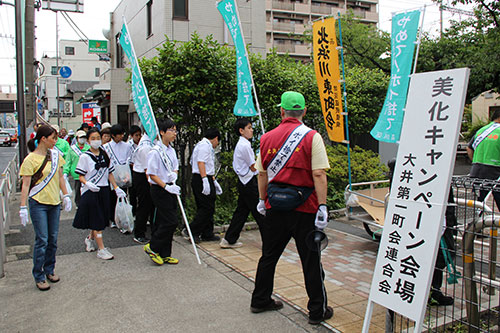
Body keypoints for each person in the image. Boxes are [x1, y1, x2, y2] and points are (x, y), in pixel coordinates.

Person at [250, 91, 332, 325]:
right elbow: (318, 173)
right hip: (305, 209)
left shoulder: (266, 138)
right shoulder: (312, 137)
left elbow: (262, 174)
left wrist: (261, 199)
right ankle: (317, 311)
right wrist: (323, 206)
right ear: (304, 111)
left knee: (269, 255)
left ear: (281, 111)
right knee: (310, 259)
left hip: (275, 207)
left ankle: (260, 299)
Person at [19, 125, 72, 291]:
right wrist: (22, 207)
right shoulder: (30, 159)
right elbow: (26, 184)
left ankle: (50, 269)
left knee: (53, 239)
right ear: (43, 139)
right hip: (38, 203)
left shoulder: (56, 155)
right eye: (53, 138)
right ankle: (39, 275)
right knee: (42, 240)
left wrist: (66, 195)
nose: (55, 141)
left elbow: (60, 177)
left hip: (54, 203)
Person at [72, 128, 126, 260]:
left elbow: (110, 173)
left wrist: (116, 187)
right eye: (93, 138)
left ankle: (90, 238)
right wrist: (87, 183)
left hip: (104, 190)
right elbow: (80, 175)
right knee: (97, 219)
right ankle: (101, 249)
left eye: (98, 138)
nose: (96, 141)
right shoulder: (85, 156)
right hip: (91, 191)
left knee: (101, 217)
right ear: (88, 141)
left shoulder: (105, 154)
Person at [220, 118, 265, 249]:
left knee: (241, 212)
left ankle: (229, 239)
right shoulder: (244, 145)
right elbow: (253, 166)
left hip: (245, 182)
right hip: (249, 183)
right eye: (249, 128)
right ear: (241, 130)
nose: (251, 130)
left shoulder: (244, 143)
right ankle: (269, 242)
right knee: (260, 212)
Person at [143, 119, 181, 265]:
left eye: (175, 131)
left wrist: (174, 175)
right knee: (171, 221)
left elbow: (175, 167)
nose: (174, 134)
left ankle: (165, 253)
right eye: (171, 130)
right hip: (160, 189)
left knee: (163, 221)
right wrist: (165, 186)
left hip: (171, 188)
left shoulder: (171, 150)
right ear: (162, 132)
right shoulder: (155, 152)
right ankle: (153, 247)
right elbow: (151, 174)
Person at [182, 128, 222, 242]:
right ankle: (191, 230)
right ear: (215, 138)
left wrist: (213, 180)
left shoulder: (202, 145)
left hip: (205, 177)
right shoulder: (204, 146)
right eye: (218, 141)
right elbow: (201, 162)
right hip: (201, 178)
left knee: (207, 206)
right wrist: (205, 179)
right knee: (207, 208)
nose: (217, 144)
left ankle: (207, 233)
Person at [467, 109, 500, 211]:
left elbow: (469, 147)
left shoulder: (482, 130)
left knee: (481, 202)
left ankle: (477, 222)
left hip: (477, 170)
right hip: (495, 171)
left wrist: (474, 161)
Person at [103, 124, 134, 229]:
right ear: (113, 135)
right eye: (119, 134)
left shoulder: (127, 146)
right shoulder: (107, 147)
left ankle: (123, 217)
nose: (121, 136)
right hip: (113, 174)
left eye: (122, 134)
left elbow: (130, 158)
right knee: (112, 197)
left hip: (124, 173)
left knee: (124, 195)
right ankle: (112, 218)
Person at [131, 132, 155, 244]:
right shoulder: (146, 146)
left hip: (146, 176)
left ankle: (152, 230)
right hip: (143, 177)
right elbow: (147, 170)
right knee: (144, 205)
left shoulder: (150, 142)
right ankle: (139, 233)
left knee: (150, 205)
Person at [63, 130, 90, 207]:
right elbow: (68, 161)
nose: (83, 139)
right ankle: (78, 203)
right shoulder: (72, 149)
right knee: (77, 189)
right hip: (76, 173)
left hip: (87, 173)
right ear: (77, 138)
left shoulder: (88, 148)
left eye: (84, 137)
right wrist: (66, 172)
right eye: (81, 137)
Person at [128, 125, 142, 216]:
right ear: (131, 136)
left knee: (140, 194)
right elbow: (128, 160)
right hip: (132, 170)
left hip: (140, 170)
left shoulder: (142, 144)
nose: (138, 137)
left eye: (139, 135)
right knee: (132, 193)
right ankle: (133, 213)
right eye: (136, 135)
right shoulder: (128, 145)